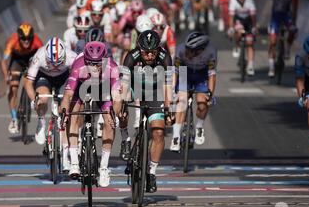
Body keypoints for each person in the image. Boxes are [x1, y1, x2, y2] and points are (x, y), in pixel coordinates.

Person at [59, 41, 121, 187]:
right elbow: (67, 95)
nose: (94, 67)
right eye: (91, 64)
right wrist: (64, 112)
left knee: (109, 120)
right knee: (72, 115)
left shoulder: (112, 68)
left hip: (102, 88)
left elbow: (117, 99)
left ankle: (104, 168)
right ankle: (74, 162)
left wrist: (115, 114)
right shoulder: (78, 66)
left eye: (98, 64)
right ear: (85, 61)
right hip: (81, 86)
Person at [119, 30, 174, 193]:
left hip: (155, 91)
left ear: (158, 50)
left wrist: (168, 106)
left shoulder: (165, 58)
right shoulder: (131, 56)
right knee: (119, 103)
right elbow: (124, 84)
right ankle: (125, 138)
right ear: (139, 50)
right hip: (134, 87)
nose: (149, 56)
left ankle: (151, 172)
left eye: (152, 52)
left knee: (158, 132)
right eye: (145, 52)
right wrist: (123, 102)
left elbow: (168, 85)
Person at [25, 37, 77, 171]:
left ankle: (66, 157)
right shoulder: (39, 56)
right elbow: (28, 83)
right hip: (44, 77)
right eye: (51, 63)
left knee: (65, 114)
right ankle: (41, 122)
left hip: (64, 78)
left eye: (59, 63)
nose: (54, 66)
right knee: (42, 98)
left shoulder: (72, 57)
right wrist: (34, 100)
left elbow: (79, 79)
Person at [171, 32, 217, 151]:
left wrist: (210, 94)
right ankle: (176, 136)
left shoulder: (211, 52)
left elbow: (212, 74)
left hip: (201, 75)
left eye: (190, 50)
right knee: (181, 102)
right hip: (184, 72)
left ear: (200, 50)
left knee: (203, 103)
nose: (187, 52)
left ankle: (199, 126)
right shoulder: (180, 50)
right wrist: (172, 90)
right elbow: (175, 72)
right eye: (187, 48)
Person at [1, 23, 43, 134]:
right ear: (19, 37)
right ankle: (14, 118)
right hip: (17, 61)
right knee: (13, 87)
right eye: (23, 39)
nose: (26, 41)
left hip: (31, 59)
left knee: (28, 81)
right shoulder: (12, 41)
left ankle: (27, 99)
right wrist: (6, 76)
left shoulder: (37, 42)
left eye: (29, 38)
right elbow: (3, 61)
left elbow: (43, 57)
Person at [268, 0, 298, 77]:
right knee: (272, 42)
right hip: (275, 16)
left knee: (293, 29)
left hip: (286, 15)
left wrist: (293, 23)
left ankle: (287, 49)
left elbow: (294, 9)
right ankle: (271, 67)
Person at [228, 0, 257, 75]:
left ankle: (250, 65)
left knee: (250, 42)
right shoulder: (232, 2)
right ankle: (237, 46)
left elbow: (253, 17)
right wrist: (231, 28)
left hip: (248, 21)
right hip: (238, 20)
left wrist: (254, 27)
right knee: (238, 31)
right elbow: (231, 17)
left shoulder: (250, 2)